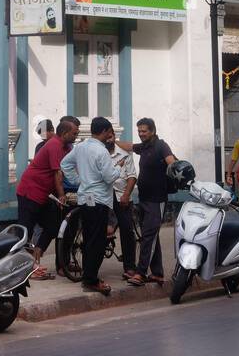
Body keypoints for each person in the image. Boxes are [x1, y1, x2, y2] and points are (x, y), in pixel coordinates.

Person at [16, 117, 79, 278]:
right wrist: (62, 196)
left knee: (53, 226)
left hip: (44, 195)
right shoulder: (55, 145)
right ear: (64, 133)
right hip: (30, 192)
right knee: (25, 232)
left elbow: (72, 169)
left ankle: (36, 255)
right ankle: (21, 269)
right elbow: (58, 173)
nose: (77, 135)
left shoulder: (67, 147)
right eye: (74, 132)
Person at [63, 116, 118, 294]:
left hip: (85, 197)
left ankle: (89, 275)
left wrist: (78, 181)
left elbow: (65, 164)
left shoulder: (81, 147)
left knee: (88, 238)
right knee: (97, 242)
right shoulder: (101, 152)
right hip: (99, 199)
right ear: (103, 131)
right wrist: (118, 166)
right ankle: (91, 279)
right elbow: (110, 177)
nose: (110, 136)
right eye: (109, 132)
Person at [132, 117, 176, 285]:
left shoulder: (161, 146)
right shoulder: (144, 147)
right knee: (151, 236)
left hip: (156, 200)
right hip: (144, 198)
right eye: (139, 131)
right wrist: (113, 141)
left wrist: (173, 167)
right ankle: (157, 273)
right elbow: (130, 146)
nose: (141, 134)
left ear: (152, 131)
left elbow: (171, 162)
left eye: (144, 131)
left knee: (148, 236)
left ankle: (141, 272)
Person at [110, 135, 139, 282]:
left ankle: (129, 267)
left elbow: (132, 176)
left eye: (111, 136)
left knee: (127, 230)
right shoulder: (98, 152)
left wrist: (126, 195)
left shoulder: (124, 154)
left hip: (122, 195)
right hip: (104, 196)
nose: (108, 139)